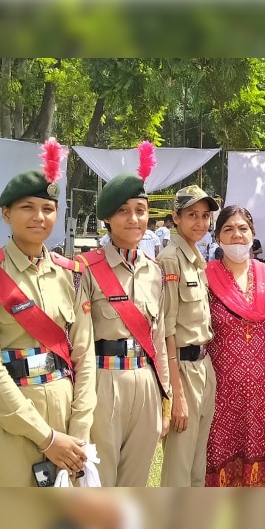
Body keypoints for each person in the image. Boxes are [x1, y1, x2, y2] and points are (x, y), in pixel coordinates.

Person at [0, 138, 95, 486]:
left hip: (67, 417)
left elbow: (84, 353)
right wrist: (47, 438)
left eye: (48, 208)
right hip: (13, 424)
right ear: (6, 213)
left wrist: (78, 430)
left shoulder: (71, 274)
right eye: (27, 207)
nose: (39, 217)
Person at [77, 141, 171, 487]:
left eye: (140, 210)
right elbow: (79, 344)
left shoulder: (154, 271)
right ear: (108, 218)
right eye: (124, 211)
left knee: (136, 482)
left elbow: (158, 339)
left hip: (145, 381)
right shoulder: (86, 269)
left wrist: (164, 398)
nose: (134, 219)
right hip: (104, 382)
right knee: (99, 481)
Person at [205, 205, 265, 486]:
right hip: (221, 385)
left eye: (242, 228)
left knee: (263, 445)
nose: (236, 234)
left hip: (264, 385)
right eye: (228, 229)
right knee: (220, 448)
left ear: (253, 233)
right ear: (218, 237)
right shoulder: (206, 276)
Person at [158, 185, 219, 487]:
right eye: (192, 215)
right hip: (182, 368)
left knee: (197, 466)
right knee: (179, 468)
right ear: (176, 217)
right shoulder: (171, 259)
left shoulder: (194, 257)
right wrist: (176, 395)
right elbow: (166, 330)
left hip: (203, 366)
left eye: (205, 216)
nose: (200, 222)